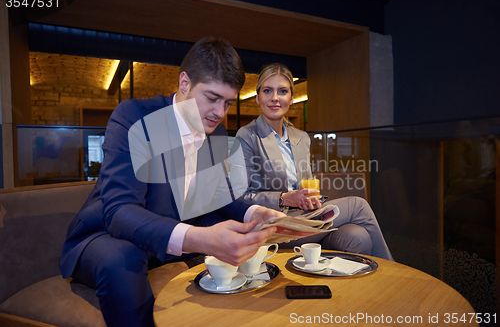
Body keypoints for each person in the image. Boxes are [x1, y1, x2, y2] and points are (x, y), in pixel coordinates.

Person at [59, 37, 283, 327]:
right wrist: (200, 238)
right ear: (185, 83)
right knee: (121, 258)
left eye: (228, 102)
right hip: (107, 234)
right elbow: (119, 211)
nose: (220, 113)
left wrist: (257, 213)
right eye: (212, 98)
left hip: (168, 229)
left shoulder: (215, 133)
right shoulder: (134, 117)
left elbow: (221, 195)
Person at [229, 63, 393, 261]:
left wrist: (311, 199)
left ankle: (362, 290)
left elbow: (306, 185)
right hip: (274, 226)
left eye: (282, 91)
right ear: (257, 98)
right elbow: (239, 196)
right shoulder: (247, 136)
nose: (274, 97)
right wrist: (283, 198)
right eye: (267, 91)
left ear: (291, 98)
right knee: (358, 205)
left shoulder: (301, 138)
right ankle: (394, 278)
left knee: (358, 237)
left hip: (305, 218)